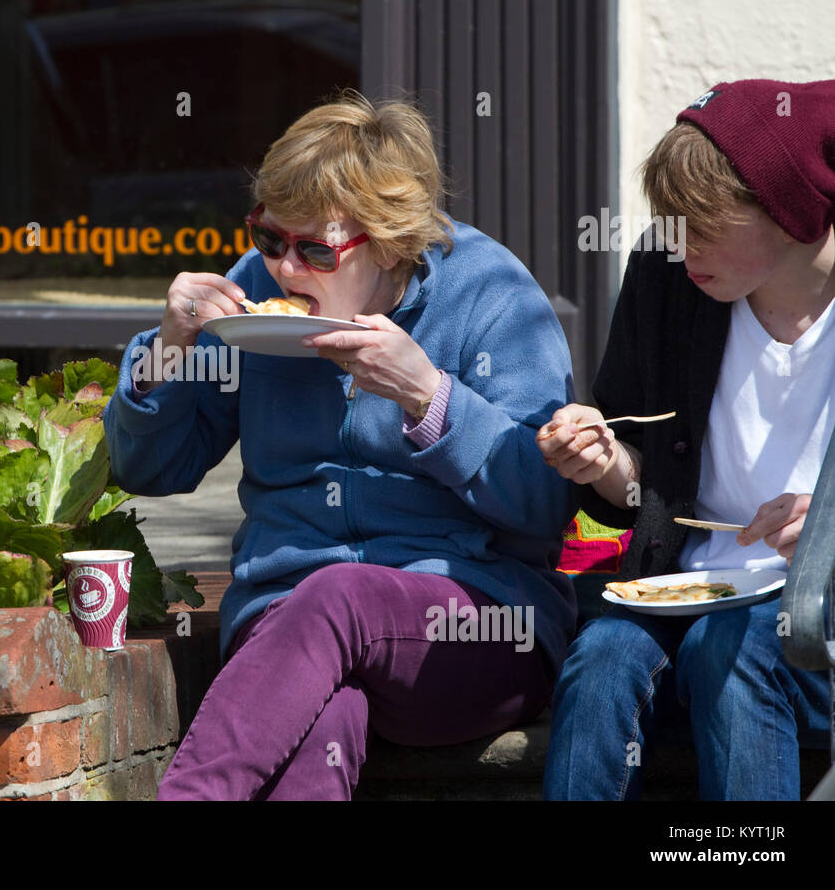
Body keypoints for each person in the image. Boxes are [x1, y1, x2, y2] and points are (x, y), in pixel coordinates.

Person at [101, 90, 578, 800]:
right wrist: (169, 349)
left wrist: (429, 397)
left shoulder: (493, 296)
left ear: (389, 242)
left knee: (340, 595)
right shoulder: (253, 287)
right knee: (325, 722)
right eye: (269, 238)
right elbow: (148, 466)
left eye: (314, 249)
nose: (284, 269)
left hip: (474, 626)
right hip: (288, 626)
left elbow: (544, 507)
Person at [537, 78, 835, 800]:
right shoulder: (667, 279)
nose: (678, 242)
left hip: (812, 618)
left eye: (699, 221)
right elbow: (632, 488)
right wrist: (605, 459)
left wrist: (826, 532)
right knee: (602, 660)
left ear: (791, 210)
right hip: (684, 586)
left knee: (730, 654)